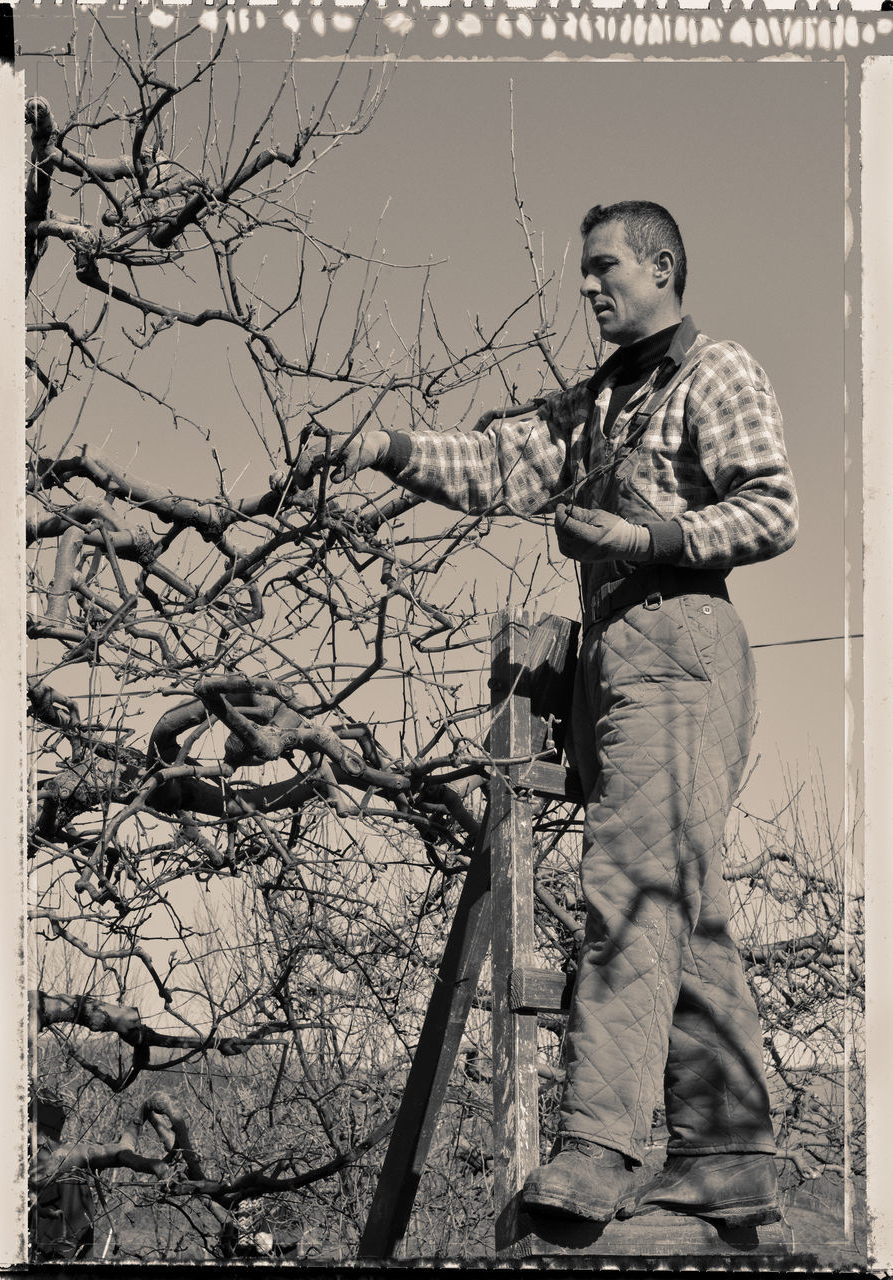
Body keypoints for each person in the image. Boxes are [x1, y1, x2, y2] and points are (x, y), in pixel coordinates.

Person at [294, 201, 798, 1228]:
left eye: (606, 265)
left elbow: (772, 508)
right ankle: (729, 1148)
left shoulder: (717, 370)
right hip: (618, 655)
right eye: (584, 271)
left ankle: (598, 1140)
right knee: (675, 897)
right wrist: (382, 444)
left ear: (663, 267)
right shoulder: (595, 406)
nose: (587, 285)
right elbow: (491, 463)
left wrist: (643, 528)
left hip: (680, 636)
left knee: (625, 884)